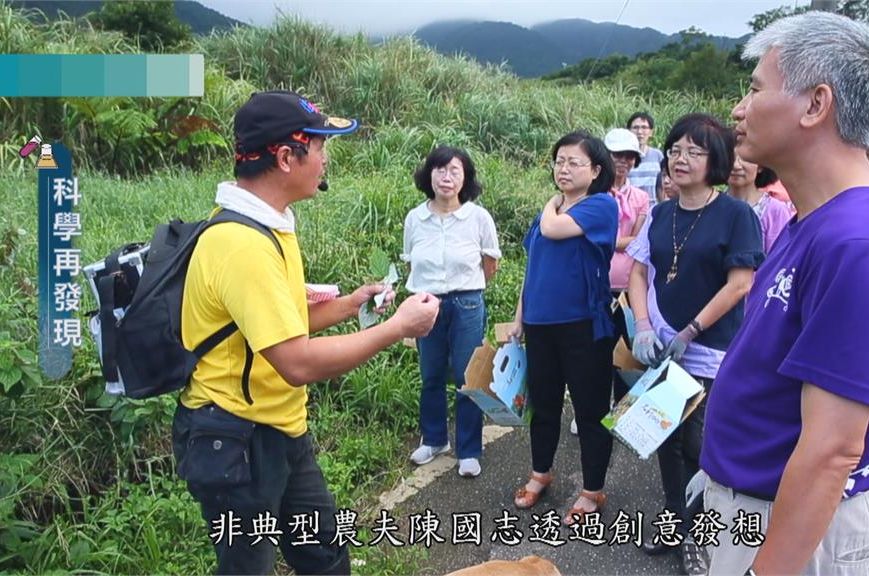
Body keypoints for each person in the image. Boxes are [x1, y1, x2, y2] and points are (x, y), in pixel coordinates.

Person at [700, 13, 869, 575]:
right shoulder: (818, 221)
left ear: (814, 104)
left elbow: (832, 451)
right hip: (758, 511)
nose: (739, 108)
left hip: (797, 535)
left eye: (755, 89)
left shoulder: (861, 245)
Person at [172, 90, 440, 575]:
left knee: (324, 556)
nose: (324, 159)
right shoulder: (241, 245)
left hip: (281, 430)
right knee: (247, 568)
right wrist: (397, 329)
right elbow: (295, 362)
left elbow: (277, 323)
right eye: (318, 146)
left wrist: (348, 305)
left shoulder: (271, 225)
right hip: (234, 437)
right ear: (285, 157)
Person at [627, 113, 763, 575]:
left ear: (717, 160)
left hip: (710, 351)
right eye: (676, 149)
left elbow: (740, 284)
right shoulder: (660, 212)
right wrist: (644, 324)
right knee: (665, 434)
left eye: (695, 151)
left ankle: (702, 529)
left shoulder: (736, 214)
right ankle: (673, 515)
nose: (680, 159)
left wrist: (691, 331)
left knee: (701, 441)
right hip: (662, 349)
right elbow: (639, 272)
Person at [509, 131, 618, 526]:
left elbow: (555, 230)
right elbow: (533, 268)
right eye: (559, 161)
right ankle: (541, 473)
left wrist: (549, 204)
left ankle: (592, 489)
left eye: (574, 162)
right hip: (540, 326)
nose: (564, 168)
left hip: (583, 327)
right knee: (544, 408)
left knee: (590, 412)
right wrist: (520, 319)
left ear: (596, 170)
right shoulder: (552, 211)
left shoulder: (601, 205)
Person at [403, 146, 501, 478]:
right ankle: (434, 440)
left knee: (466, 376)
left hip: (467, 304)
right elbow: (410, 263)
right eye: (440, 170)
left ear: (466, 178)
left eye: (455, 171)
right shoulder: (415, 218)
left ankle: (469, 450)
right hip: (426, 304)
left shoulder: (478, 217)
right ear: (428, 175)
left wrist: (467, 288)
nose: (447, 177)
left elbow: (490, 264)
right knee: (430, 375)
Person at [604, 128, 650, 402]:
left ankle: (622, 405)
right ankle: (596, 405)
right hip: (599, 284)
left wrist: (613, 240)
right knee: (597, 348)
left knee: (626, 348)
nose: (623, 161)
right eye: (617, 155)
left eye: (629, 156)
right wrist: (624, 240)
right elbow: (594, 238)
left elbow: (639, 241)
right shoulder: (596, 195)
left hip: (629, 288)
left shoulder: (641, 197)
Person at [727, 155, 793, 253]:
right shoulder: (711, 205)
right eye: (730, 157)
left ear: (760, 166)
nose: (736, 165)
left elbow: (780, 259)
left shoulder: (775, 211)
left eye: (745, 159)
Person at [627, 112, 665, 204]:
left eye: (644, 127)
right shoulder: (623, 157)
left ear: (651, 132)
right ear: (628, 131)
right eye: (635, 128)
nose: (640, 132)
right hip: (630, 210)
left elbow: (660, 187)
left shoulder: (657, 155)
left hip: (652, 210)